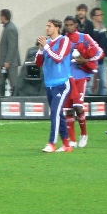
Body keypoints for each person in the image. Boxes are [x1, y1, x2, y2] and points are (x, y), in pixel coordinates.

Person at [62, 16, 102, 148]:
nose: (68, 27)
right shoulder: (63, 40)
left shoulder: (84, 37)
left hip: (81, 77)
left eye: (71, 25)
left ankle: (84, 134)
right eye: (66, 25)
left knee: (78, 106)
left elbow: (100, 52)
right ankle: (72, 139)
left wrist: (86, 61)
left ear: (76, 25)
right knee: (68, 109)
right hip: (67, 78)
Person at [34, 18, 72, 152]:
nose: (46, 28)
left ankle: (52, 143)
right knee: (58, 113)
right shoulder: (47, 43)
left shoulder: (64, 40)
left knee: (55, 111)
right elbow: (38, 63)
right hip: (49, 84)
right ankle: (67, 144)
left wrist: (46, 47)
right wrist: (40, 49)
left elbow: (58, 58)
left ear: (57, 27)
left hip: (62, 83)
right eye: (46, 26)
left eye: (49, 26)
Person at [0, 9, 20, 96]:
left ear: (3, 17)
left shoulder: (10, 29)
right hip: (4, 63)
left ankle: (16, 100)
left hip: (10, 63)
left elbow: (12, 46)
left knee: (14, 84)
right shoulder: (7, 28)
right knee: (1, 83)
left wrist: (8, 61)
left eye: (0, 16)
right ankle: (1, 100)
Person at [89, 7, 107, 95]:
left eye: (102, 14)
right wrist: (97, 30)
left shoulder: (105, 28)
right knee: (89, 84)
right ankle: (88, 103)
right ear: (93, 17)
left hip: (102, 59)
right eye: (99, 15)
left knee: (104, 84)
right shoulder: (90, 28)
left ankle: (102, 103)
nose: (101, 16)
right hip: (91, 59)